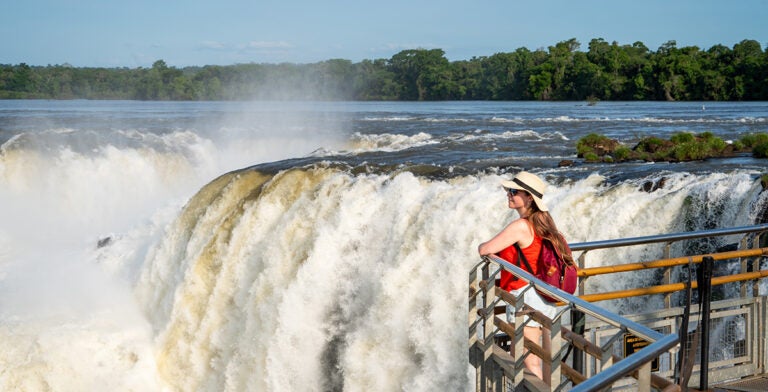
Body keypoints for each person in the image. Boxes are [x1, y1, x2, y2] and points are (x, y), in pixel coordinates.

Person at [477, 171, 571, 379]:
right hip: (546, 293)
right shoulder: (545, 223)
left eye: (513, 191)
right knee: (548, 360)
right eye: (508, 191)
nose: (508, 194)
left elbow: (484, 250)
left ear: (529, 197)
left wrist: (483, 247)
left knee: (527, 359)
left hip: (525, 296)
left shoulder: (521, 226)